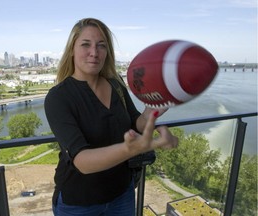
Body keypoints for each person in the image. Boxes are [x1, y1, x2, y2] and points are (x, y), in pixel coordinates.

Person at [44, 17, 178, 216]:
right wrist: (132, 148)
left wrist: (153, 110)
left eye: (101, 46)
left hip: (121, 195)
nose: (94, 53)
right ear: (72, 49)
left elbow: (136, 124)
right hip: (79, 203)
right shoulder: (58, 97)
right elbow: (82, 161)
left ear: (108, 52)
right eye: (86, 45)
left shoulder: (116, 84)